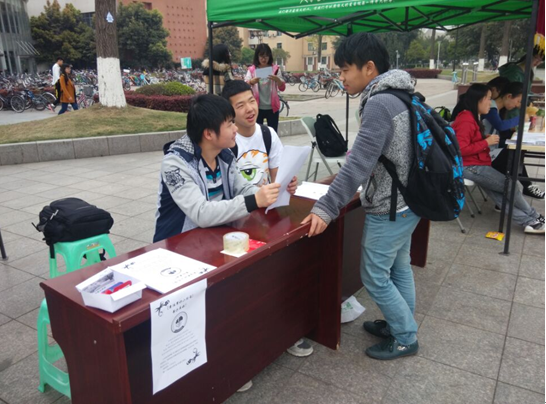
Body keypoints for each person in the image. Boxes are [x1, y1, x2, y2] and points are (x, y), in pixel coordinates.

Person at [301, 33, 421, 360]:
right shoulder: (402, 94)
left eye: (345, 70)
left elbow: (358, 165)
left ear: (369, 68)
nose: (341, 78)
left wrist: (326, 207)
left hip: (390, 206)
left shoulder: (380, 103)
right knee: (399, 267)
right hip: (409, 200)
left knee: (374, 275)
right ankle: (400, 323)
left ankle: (405, 336)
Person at [221, 80, 312, 371]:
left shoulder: (267, 134)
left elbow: (278, 178)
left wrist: (288, 183)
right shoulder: (227, 142)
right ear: (229, 114)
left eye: (251, 101)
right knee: (244, 286)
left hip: (268, 215)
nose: (250, 109)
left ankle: (283, 332)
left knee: (278, 272)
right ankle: (244, 351)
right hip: (237, 220)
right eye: (240, 106)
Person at [153, 94, 293, 244]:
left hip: (212, 238)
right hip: (177, 245)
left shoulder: (224, 155)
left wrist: (272, 192)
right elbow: (201, 213)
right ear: (208, 134)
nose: (235, 129)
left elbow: (242, 188)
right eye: (230, 124)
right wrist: (255, 200)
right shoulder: (176, 164)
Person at [451, 83, 544, 234]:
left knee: (500, 195)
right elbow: (460, 149)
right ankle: (534, 217)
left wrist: (482, 138)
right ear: (478, 100)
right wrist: (485, 142)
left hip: (475, 164)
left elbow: (467, 140)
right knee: (510, 186)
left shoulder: (472, 116)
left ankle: (531, 222)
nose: (490, 102)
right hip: (470, 166)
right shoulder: (466, 119)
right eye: (488, 99)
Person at [483, 80, 545, 200]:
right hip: (485, 152)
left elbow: (500, 128)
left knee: (516, 154)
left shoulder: (498, 109)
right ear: (509, 96)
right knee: (513, 156)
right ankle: (523, 187)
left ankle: (521, 188)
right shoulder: (491, 108)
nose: (517, 105)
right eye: (518, 101)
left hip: (492, 148)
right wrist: (521, 118)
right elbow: (500, 126)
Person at [245, 44, 285, 132]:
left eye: (266, 56)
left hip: (272, 107)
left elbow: (282, 88)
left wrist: (278, 80)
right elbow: (245, 85)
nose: (264, 59)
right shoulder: (252, 70)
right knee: (257, 133)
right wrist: (251, 82)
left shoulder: (275, 69)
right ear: (257, 56)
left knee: (273, 132)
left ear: (269, 56)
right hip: (257, 107)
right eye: (261, 56)